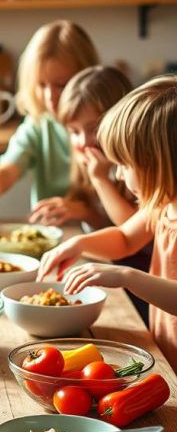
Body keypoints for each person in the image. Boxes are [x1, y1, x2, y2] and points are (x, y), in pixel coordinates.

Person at [38, 75, 177, 371]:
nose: (119, 176)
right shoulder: (162, 204)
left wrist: (127, 276)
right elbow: (126, 238)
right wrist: (78, 244)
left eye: (126, 165)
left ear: (157, 162)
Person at [0, 20, 99, 217]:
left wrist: (83, 211)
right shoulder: (39, 124)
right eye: (41, 85)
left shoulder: (106, 127)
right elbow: (10, 167)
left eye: (61, 85)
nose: (50, 97)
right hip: (48, 232)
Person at [30, 65, 134, 228]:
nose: (83, 142)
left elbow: (132, 232)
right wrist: (83, 212)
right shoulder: (88, 160)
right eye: (74, 131)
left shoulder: (135, 169)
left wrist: (100, 179)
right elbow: (106, 224)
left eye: (93, 129)